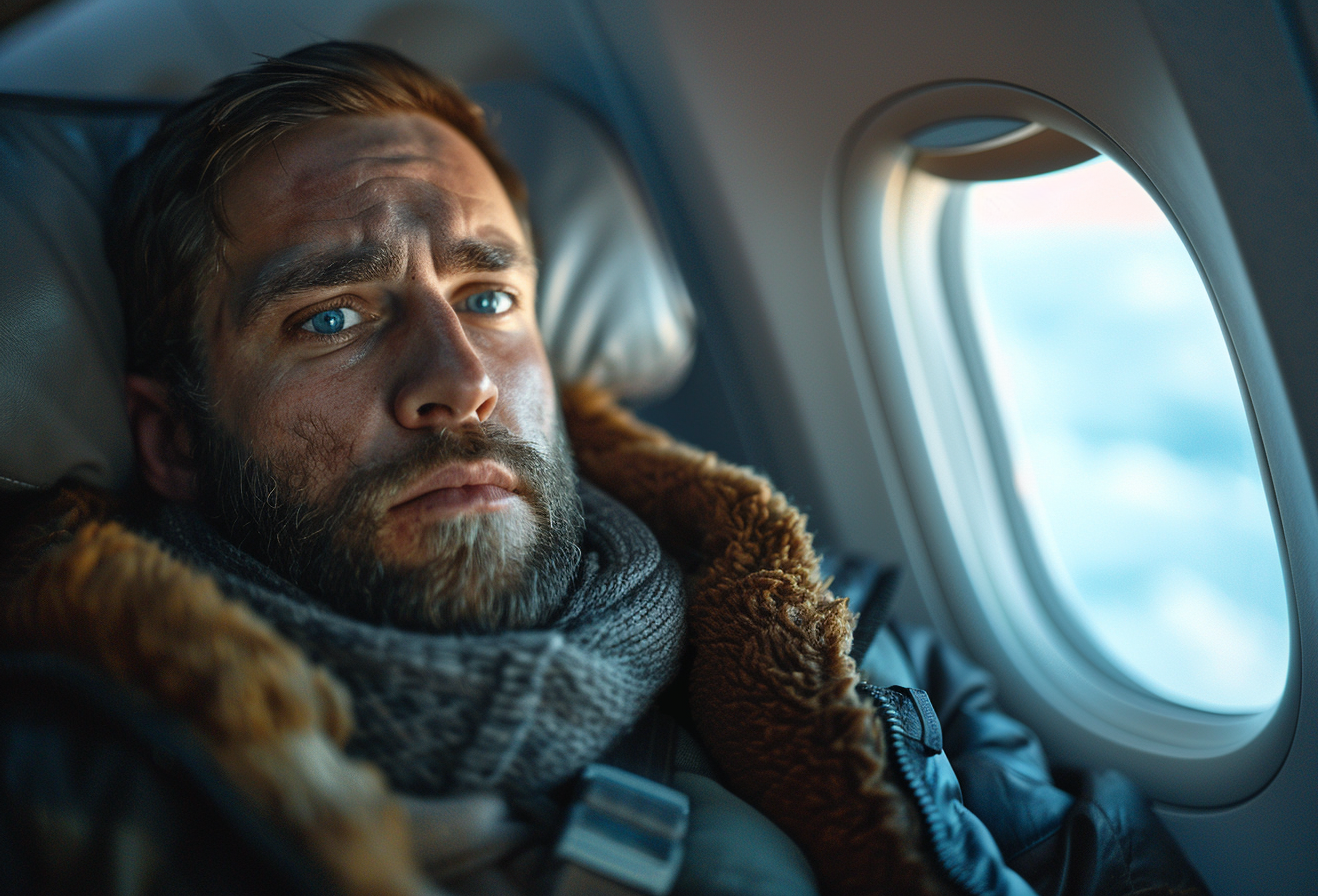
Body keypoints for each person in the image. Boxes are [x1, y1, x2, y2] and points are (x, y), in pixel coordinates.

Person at [0, 42, 1206, 896]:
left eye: (488, 295)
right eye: (331, 316)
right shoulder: (75, 782)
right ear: (169, 438)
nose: (460, 378)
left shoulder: (851, 641)